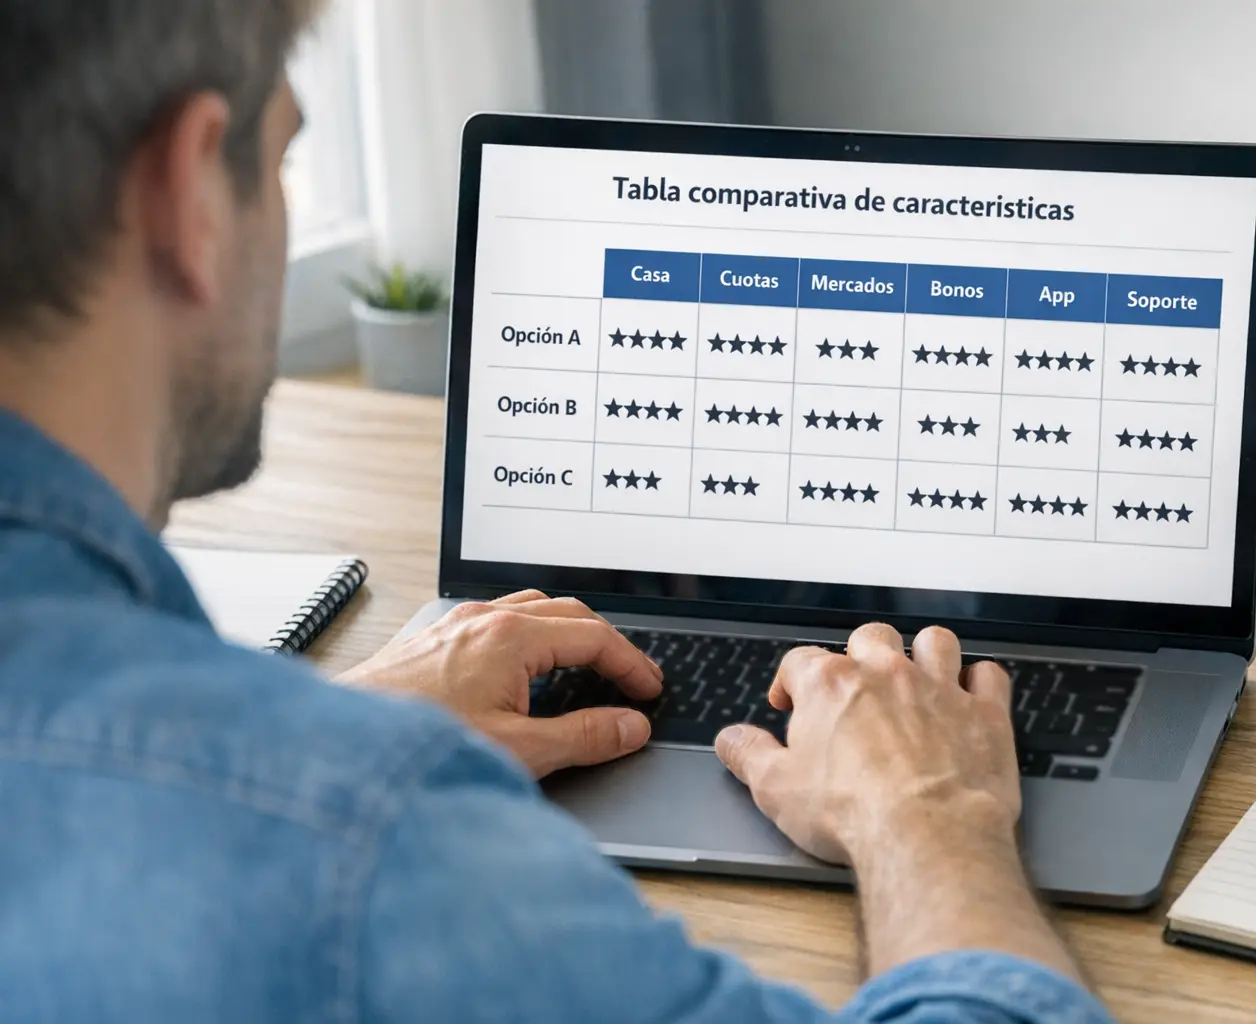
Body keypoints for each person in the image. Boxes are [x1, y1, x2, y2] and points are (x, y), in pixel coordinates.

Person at [0, 4, 1113, 1022]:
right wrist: (927, 809)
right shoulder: (372, 843)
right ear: (187, 194)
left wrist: (314, 731)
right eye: (284, 156)